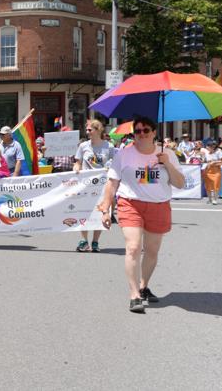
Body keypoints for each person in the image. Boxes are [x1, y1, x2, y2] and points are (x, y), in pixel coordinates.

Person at [97, 117, 185, 313]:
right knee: (133, 247)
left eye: (146, 130)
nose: (142, 134)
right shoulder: (123, 154)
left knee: (152, 251)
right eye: (137, 131)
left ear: (154, 132)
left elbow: (180, 183)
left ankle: (144, 286)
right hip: (130, 204)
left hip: (159, 205)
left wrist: (167, 164)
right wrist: (105, 208)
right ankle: (134, 294)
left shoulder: (167, 153)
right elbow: (112, 183)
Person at [72, 119, 116, 252]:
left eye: (90, 130)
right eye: (86, 130)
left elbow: (114, 163)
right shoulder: (83, 146)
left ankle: (95, 241)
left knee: (100, 212)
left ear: (98, 130)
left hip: (103, 185)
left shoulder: (109, 146)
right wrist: (76, 168)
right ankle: (84, 241)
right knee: (83, 212)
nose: (87, 132)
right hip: (86, 185)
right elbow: (77, 162)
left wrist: (110, 168)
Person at [203, 140, 222, 205]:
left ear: (213, 147)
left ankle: (215, 199)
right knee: (208, 185)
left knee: (216, 185)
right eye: (207, 147)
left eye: (208, 147)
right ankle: (210, 199)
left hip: (216, 170)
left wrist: (214, 162)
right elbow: (205, 161)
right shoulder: (206, 153)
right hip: (208, 170)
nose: (207, 148)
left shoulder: (219, 152)